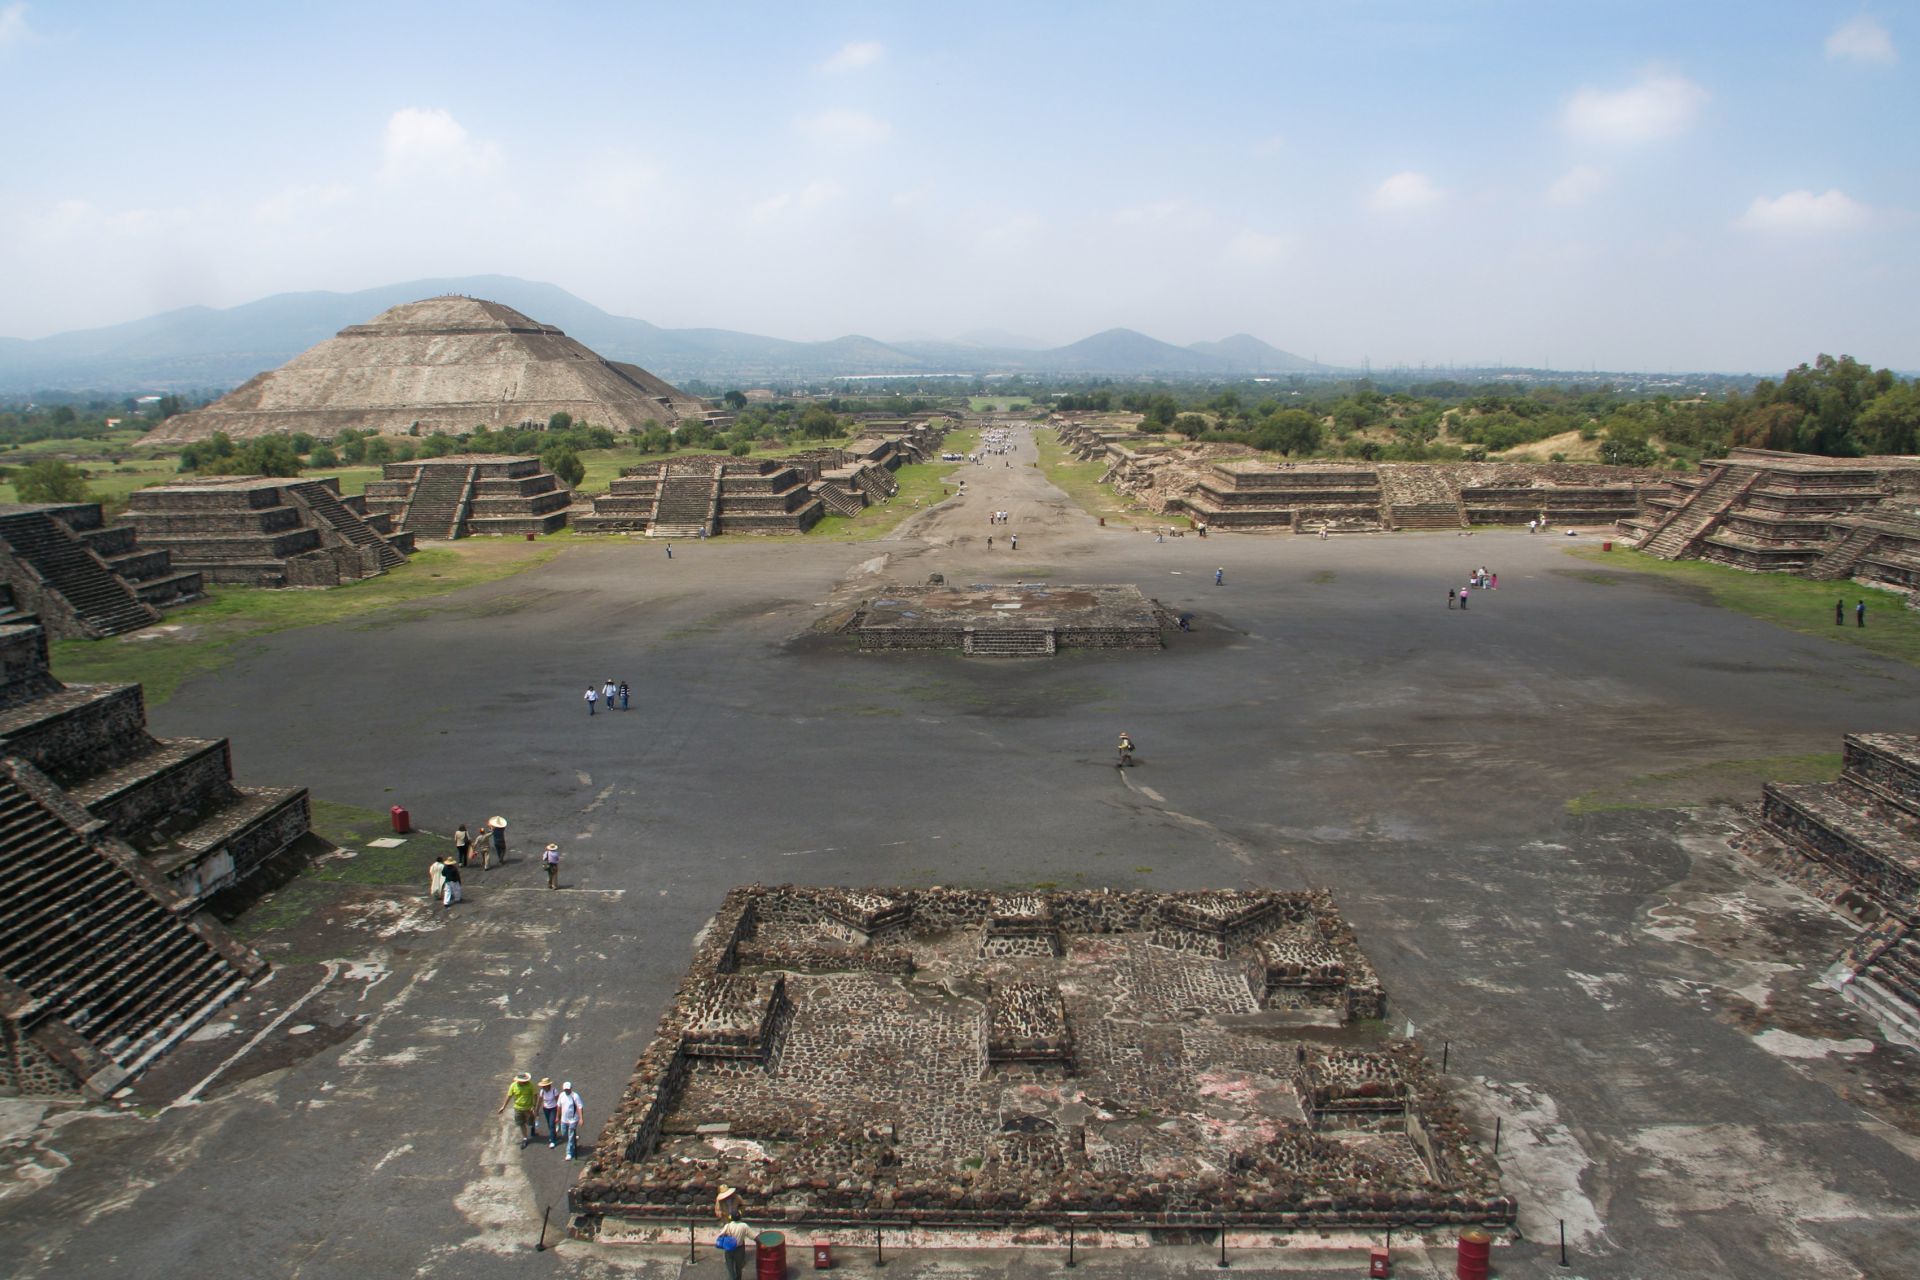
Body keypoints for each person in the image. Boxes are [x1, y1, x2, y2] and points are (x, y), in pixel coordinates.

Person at [498, 1071, 539, 1148]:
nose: (522, 1082)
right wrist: (503, 1106)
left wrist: (534, 1105)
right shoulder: (513, 1086)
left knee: (530, 1122)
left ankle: (533, 1128)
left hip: (528, 1108)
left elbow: (535, 1095)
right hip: (518, 1108)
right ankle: (525, 1138)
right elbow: (509, 1096)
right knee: (521, 1123)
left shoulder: (531, 1085)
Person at [717, 1208, 756, 1280]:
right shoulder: (744, 1226)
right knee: (739, 1267)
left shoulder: (728, 1226)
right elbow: (753, 1237)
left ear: (731, 1217)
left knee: (730, 1265)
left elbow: (720, 1235)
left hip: (729, 1248)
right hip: (739, 1249)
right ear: (740, 1217)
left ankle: (732, 1278)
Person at [557, 1081, 585, 1160]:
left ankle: (569, 1153)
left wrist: (581, 1118)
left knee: (570, 1135)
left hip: (573, 1119)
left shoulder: (575, 1096)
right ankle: (573, 1140)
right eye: (565, 1089)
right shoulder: (561, 1095)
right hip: (564, 1119)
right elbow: (559, 1106)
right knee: (564, 1134)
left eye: (568, 1089)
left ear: (571, 1088)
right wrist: (557, 1117)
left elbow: (579, 1107)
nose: (567, 1091)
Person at [537, 1077, 560, 1147]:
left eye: (544, 1086)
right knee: (549, 1124)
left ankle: (553, 1140)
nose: (543, 1087)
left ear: (548, 1085)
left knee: (551, 1124)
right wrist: (537, 1110)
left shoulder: (554, 1091)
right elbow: (540, 1101)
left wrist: (559, 1113)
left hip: (553, 1108)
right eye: (542, 1086)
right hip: (546, 1109)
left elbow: (558, 1102)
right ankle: (554, 1135)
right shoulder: (542, 1091)